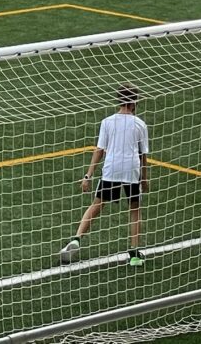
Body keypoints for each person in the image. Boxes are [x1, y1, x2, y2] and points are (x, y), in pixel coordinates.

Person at [60, 84, 150, 268]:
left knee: (97, 204)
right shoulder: (140, 124)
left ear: (119, 100)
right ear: (134, 102)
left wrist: (88, 175)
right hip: (131, 169)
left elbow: (99, 150)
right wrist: (144, 178)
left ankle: (77, 238)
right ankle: (134, 254)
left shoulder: (107, 122)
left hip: (112, 168)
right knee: (134, 209)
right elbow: (143, 155)